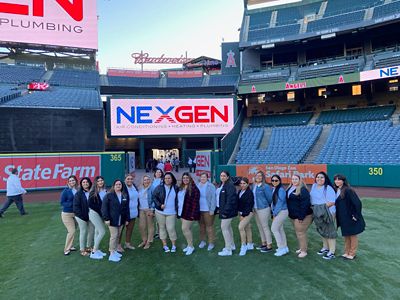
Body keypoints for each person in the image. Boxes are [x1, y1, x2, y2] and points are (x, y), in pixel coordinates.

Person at [334, 174, 366, 260]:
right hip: (342, 217)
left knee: (352, 235)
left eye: (339, 179)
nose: (337, 181)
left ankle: (352, 253)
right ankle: (346, 252)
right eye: (335, 180)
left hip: (350, 216)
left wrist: (356, 215)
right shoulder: (337, 189)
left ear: (343, 181)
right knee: (346, 235)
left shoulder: (348, 190)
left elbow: (357, 203)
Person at [310, 171, 337, 260]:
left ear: (325, 179)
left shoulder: (328, 188)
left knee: (329, 231)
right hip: (317, 212)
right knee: (322, 230)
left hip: (327, 212)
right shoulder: (314, 186)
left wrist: (320, 208)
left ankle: (331, 252)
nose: (319, 179)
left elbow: (332, 202)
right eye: (318, 177)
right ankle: (325, 247)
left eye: (322, 177)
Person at [102, 179, 130, 262]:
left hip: (121, 220)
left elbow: (126, 208)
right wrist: (106, 219)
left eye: (120, 184)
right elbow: (104, 208)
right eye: (117, 184)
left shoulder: (124, 195)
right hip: (112, 219)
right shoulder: (108, 195)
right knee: (114, 236)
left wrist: (127, 219)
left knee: (118, 235)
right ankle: (111, 254)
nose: (118, 186)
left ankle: (114, 251)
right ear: (113, 186)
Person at [286, 174, 313, 258]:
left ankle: (304, 251)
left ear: (300, 180)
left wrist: (301, 216)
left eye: (296, 179)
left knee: (301, 233)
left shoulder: (303, 190)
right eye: (293, 179)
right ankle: (302, 248)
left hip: (303, 215)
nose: (294, 181)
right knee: (298, 232)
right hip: (293, 215)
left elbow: (305, 204)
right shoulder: (290, 188)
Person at [152, 172, 179, 253]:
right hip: (160, 211)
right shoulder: (159, 187)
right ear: (163, 179)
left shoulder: (176, 187)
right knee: (162, 227)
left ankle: (174, 244)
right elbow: (154, 197)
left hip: (172, 212)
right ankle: (165, 245)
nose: (167, 180)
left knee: (171, 228)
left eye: (169, 178)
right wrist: (160, 205)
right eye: (166, 178)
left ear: (172, 179)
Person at [178, 172, 200, 256]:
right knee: (187, 229)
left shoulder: (194, 188)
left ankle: (191, 246)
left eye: (187, 178)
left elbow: (195, 203)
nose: (185, 179)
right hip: (181, 211)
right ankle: (189, 245)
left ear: (190, 179)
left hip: (189, 212)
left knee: (185, 229)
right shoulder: (181, 187)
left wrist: (192, 214)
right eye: (184, 178)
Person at [218, 170, 238, 256]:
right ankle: (232, 245)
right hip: (225, 211)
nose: (222, 177)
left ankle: (228, 249)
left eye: (224, 176)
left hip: (228, 212)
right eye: (221, 175)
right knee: (228, 228)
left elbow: (230, 200)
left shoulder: (230, 186)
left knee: (224, 228)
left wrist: (225, 212)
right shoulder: (223, 185)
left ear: (228, 177)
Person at [73, 177, 95, 257]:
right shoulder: (78, 194)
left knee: (92, 231)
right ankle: (82, 249)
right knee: (84, 231)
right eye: (83, 182)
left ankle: (89, 247)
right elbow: (76, 207)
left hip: (91, 215)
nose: (85, 183)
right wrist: (83, 217)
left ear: (89, 183)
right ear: (81, 184)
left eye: (87, 182)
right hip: (81, 216)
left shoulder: (92, 192)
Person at [252, 171, 273, 253]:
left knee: (265, 226)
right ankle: (263, 243)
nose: (258, 177)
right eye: (257, 175)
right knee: (260, 226)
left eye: (260, 176)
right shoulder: (254, 185)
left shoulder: (265, 186)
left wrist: (265, 204)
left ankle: (269, 245)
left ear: (263, 177)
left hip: (263, 208)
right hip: (256, 209)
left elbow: (270, 198)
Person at [87, 176, 107, 260]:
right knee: (102, 232)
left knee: (97, 231)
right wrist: (101, 213)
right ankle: (94, 252)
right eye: (99, 181)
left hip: (100, 213)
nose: (101, 182)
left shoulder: (105, 191)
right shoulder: (93, 192)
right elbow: (91, 204)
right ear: (96, 182)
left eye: (102, 180)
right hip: (94, 213)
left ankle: (97, 249)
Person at [197, 173, 217, 251]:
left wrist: (212, 209)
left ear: (207, 178)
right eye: (201, 177)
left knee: (209, 226)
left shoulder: (210, 186)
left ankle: (211, 243)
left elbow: (213, 198)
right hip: (199, 210)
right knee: (201, 227)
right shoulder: (197, 185)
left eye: (204, 177)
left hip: (208, 210)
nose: (203, 178)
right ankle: (203, 241)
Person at [270, 174, 289, 257]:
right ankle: (284, 247)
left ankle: (281, 248)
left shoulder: (280, 190)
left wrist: (274, 213)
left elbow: (280, 203)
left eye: (276, 180)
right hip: (278, 211)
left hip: (282, 211)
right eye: (273, 180)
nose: (274, 182)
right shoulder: (274, 189)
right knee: (280, 229)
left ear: (279, 181)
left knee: (274, 228)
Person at [120, 173, 139, 250]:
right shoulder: (122, 188)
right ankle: (118, 245)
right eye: (128, 179)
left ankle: (127, 243)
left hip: (133, 212)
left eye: (131, 179)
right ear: (125, 180)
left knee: (130, 229)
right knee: (120, 230)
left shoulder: (134, 187)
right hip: (124, 213)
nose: (130, 180)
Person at [60, 175, 78, 256]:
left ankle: (70, 246)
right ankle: (66, 249)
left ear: (76, 181)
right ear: (68, 182)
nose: (72, 182)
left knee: (73, 230)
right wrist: (72, 204)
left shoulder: (78, 190)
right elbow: (62, 202)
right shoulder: (65, 191)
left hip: (76, 214)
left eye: (73, 180)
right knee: (71, 231)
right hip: (67, 214)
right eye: (70, 181)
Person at [238, 177, 254, 256]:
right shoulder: (240, 191)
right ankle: (250, 244)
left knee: (241, 227)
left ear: (248, 184)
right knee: (247, 227)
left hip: (248, 213)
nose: (242, 185)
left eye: (244, 183)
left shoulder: (249, 193)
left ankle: (243, 246)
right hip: (241, 213)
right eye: (241, 183)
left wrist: (243, 215)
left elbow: (249, 205)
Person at [138, 175, 154, 249]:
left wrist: (151, 209)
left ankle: (149, 242)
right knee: (142, 226)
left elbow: (155, 199)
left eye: (148, 179)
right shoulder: (140, 188)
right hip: (141, 209)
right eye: (145, 180)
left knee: (150, 226)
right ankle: (144, 240)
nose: (146, 181)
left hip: (149, 209)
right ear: (142, 181)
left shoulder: (152, 188)